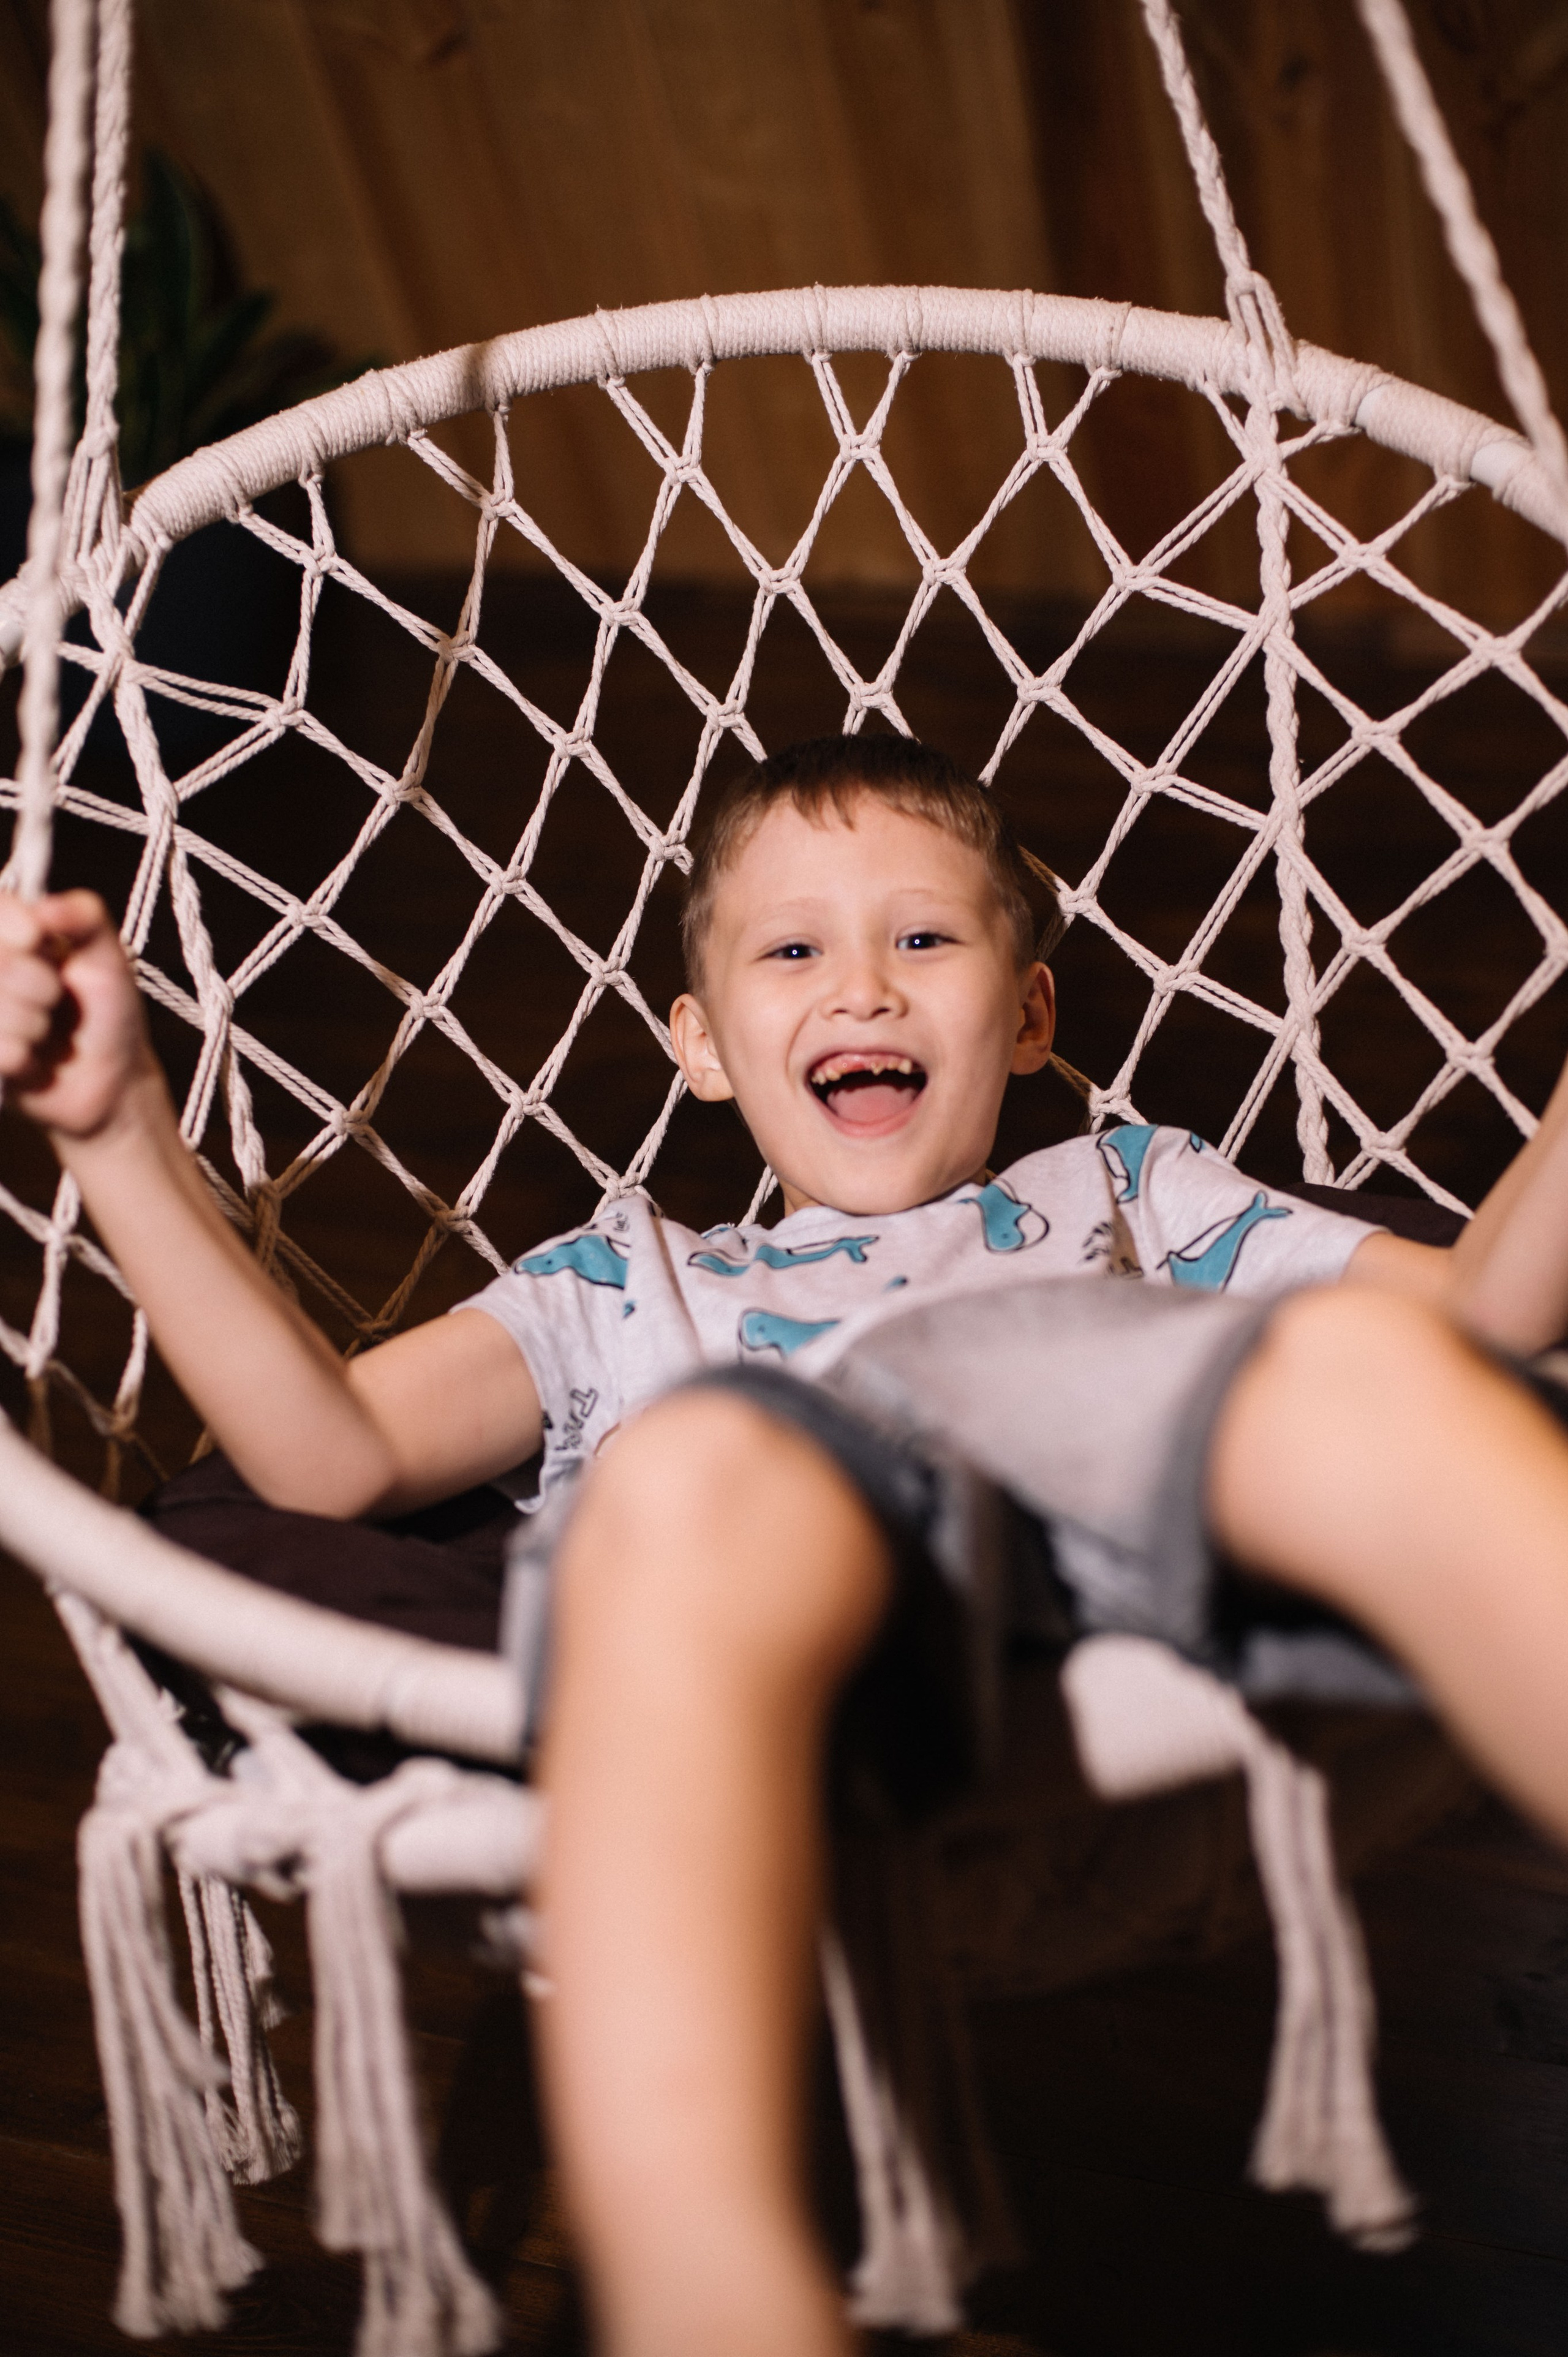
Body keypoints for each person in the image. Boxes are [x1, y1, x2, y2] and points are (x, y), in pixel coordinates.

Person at [6, 732, 1568, 2357]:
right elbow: (331, 1455)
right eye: (794, 952)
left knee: (1374, 1376)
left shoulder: (1138, 1193)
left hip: (1109, 1442)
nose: (864, 989)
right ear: (700, 1043)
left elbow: (1488, 1316)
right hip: (790, 1543)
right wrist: (118, 1136)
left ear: (1031, 1015)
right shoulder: (631, 1286)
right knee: (692, 1477)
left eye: (926, 938)